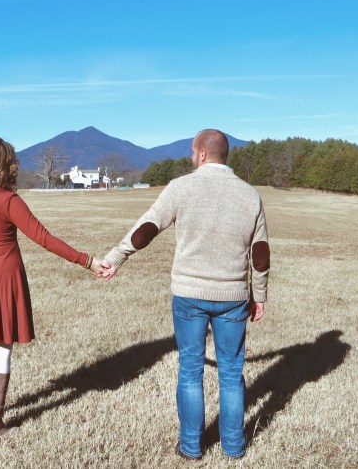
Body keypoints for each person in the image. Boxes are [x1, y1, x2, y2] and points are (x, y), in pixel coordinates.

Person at [100, 129, 270, 460]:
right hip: (233, 296)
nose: (192, 157)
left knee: (191, 370)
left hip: (189, 295)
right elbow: (260, 252)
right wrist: (259, 294)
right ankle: (234, 446)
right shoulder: (250, 195)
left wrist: (117, 257)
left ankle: (191, 446)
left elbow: (148, 228)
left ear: (203, 154)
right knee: (231, 373)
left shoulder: (181, 187)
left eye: (193, 152)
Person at [0, 136, 108, 438]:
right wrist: (87, 261)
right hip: (4, 278)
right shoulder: (8, 200)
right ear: (4, 166)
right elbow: (44, 238)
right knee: (1, 349)